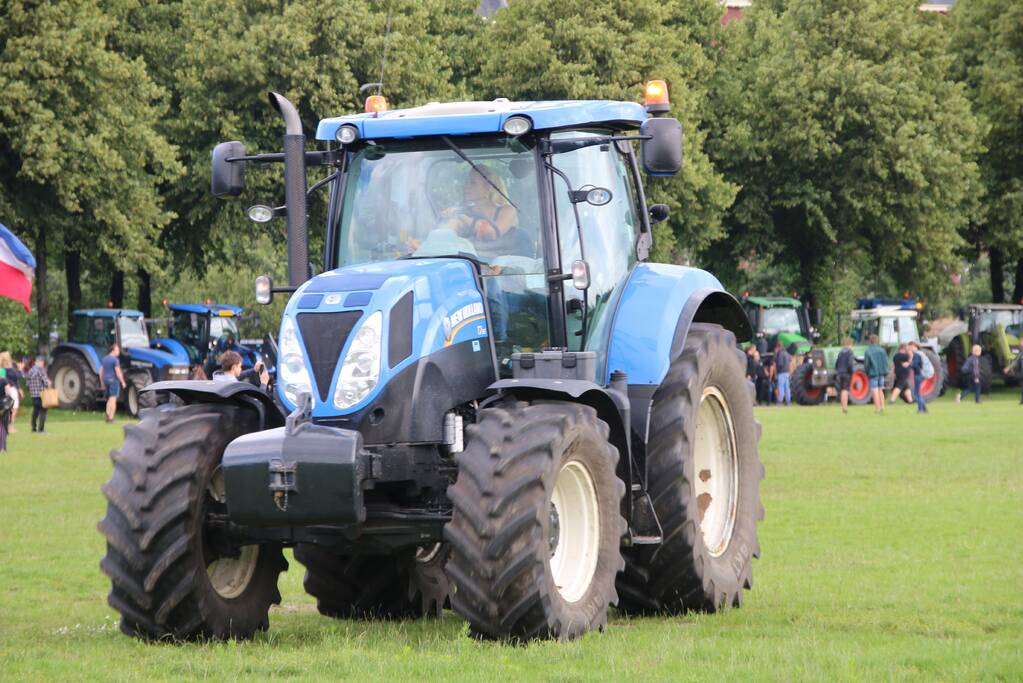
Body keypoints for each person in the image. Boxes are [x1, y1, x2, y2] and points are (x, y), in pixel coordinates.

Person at [99, 343, 126, 423]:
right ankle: (111, 418)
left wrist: (102, 383)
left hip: (106, 380)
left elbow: (101, 372)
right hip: (113, 380)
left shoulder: (104, 359)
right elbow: (118, 372)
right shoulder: (115, 360)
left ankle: (107, 415)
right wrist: (123, 382)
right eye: (117, 350)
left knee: (109, 399)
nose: (118, 352)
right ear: (113, 350)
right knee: (113, 399)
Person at [863, 334, 889, 414]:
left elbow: (866, 364)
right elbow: (886, 362)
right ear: (877, 341)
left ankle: (877, 408)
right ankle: (882, 407)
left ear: (870, 341)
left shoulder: (868, 351)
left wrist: (867, 372)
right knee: (881, 389)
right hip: (881, 373)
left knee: (875, 391)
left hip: (873, 373)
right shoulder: (882, 350)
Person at [25, 356, 50, 433]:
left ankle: (33, 428)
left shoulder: (31, 371)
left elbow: (27, 383)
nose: (43, 364)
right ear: (39, 362)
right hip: (41, 394)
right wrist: (49, 384)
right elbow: (46, 382)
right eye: (42, 362)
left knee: (35, 411)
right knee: (44, 411)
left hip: (34, 395)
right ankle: (41, 429)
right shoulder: (41, 370)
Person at [0, 351, 22, 433]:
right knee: (14, 407)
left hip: (2, 390)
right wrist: (20, 369)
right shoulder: (10, 370)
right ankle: (10, 425)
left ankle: (6, 426)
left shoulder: (1, 369)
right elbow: (18, 377)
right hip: (11, 390)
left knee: (6, 408)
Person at [907, 341, 928, 413]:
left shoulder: (917, 355)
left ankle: (921, 409)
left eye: (911, 347)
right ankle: (924, 408)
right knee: (917, 393)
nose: (910, 348)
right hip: (919, 375)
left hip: (918, 375)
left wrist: (909, 365)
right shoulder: (920, 354)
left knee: (916, 393)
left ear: (915, 347)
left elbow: (915, 365)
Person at [835, 338, 855, 413]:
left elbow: (836, 364)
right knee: (845, 390)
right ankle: (845, 407)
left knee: (841, 390)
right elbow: (850, 364)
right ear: (850, 344)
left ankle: (843, 406)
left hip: (839, 373)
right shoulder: (850, 352)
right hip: (846, 373)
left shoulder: (840, 352)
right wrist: (852, 371)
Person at [774, 341, 792, 406]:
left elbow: (779, 364)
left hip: (781, 372)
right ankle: (788, 401)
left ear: (778, 347)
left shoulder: (780, 354)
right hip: (787, 372)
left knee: (780, 387)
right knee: (787, 387)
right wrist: (789, 372)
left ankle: (780, 401)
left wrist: (775, 355)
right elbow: (790, 362)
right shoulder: (787, 353)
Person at [1006, 339, 1023, 405]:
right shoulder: (1021, 354)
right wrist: (1008, 368)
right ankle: (1022, 401)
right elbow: (1016, 362)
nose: (1021, 344)